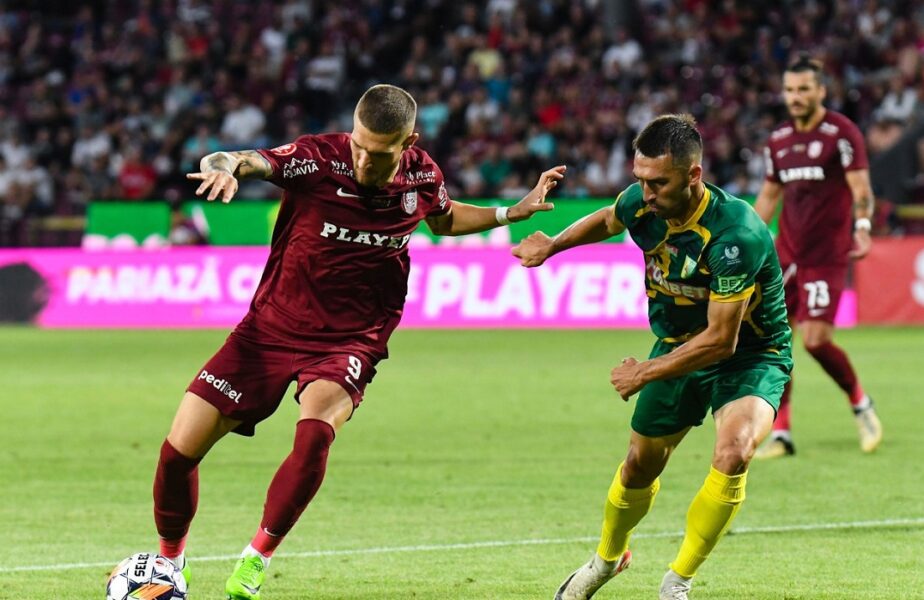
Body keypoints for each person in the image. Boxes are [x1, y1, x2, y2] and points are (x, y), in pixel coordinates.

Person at [154, 83, 565, 600]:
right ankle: (169, 565)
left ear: (408, 141)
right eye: (360, 145)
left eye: (381, 151)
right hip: (268, 329)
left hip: (352, 339)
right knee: (177, 453)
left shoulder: (421, 173)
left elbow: (441, 217)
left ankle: (255, 560)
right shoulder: (316, 159)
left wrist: (509, 213)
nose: (366, 159)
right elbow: (243, 158)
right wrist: (222, 165)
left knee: (314, 434)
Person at [513, 114, 792, 600]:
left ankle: (677, 581)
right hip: (677, 342)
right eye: (640, 179)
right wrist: (554, 246)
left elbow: (721, 340)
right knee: (638, 467)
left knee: (734, 453)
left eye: (658, 182)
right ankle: (607, 558)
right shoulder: (641, 203)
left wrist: (644, 371)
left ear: (693, 176)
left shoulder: (735, 236)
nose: (646, 192)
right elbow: (606, 219)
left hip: (751, 355)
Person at [753, 55, 882, 459]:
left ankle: (861, 404)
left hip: (825, 255)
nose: (795, 96)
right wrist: (748, 244)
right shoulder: (778, 141)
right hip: (786, 254)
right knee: (776, 342)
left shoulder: (841, 134)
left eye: (804, 89)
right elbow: (769, 197)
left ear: (821, 90)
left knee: (815, 340)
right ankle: (783, 432)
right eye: (790, 90)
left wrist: (862, 228)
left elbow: (861, 189)